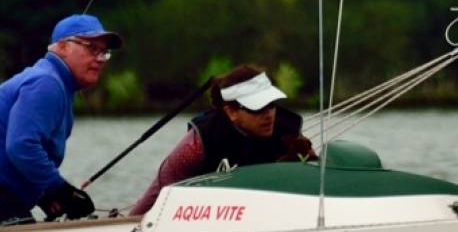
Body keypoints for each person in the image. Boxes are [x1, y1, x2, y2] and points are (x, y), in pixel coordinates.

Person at [0, 13, 123, 230]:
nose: (100, 59)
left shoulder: (54, 83)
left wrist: (45, 195)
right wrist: (63, 191)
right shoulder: (47, 83)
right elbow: (21, 146)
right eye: (92, 49)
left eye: (104, 52)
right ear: (63, 47)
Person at [129, 65, 317, 216]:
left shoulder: (290, 134)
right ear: (231, 112)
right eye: (257, 108)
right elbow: (160, 192)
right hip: (203, 216)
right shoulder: (198, 143)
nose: (268, 114)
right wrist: (129, 223)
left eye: (271, 104)